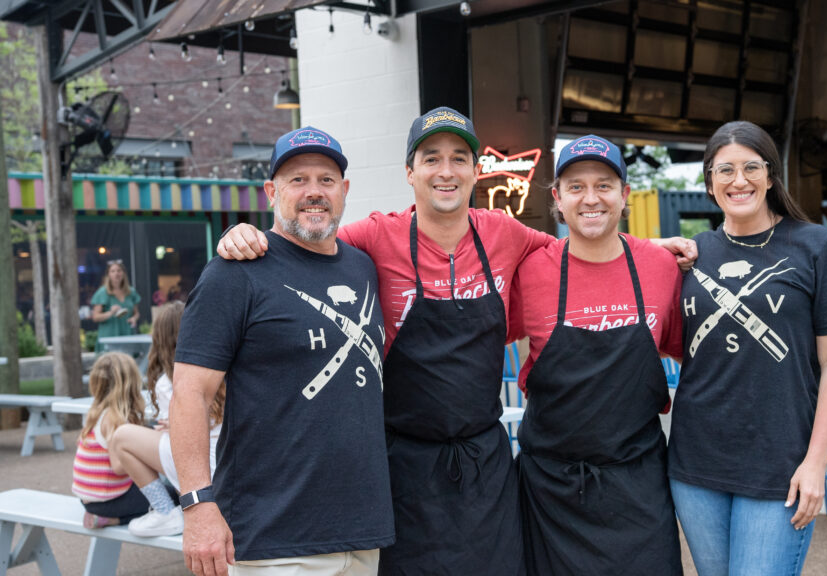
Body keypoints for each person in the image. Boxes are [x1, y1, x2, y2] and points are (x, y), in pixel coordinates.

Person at [217, 108, 697, 576]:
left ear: (475, 171)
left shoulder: (507, 235)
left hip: (489, 466)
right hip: (402, 465)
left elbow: (588, 248)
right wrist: (253, 236)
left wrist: (652, 250)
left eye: (458, 158)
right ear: (409, 172)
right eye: (430, 158)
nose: (445, 171)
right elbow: (310, 238)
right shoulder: (372, 237)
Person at [170, 126, 393, 576]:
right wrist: (197, 506)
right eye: (298, 180)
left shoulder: (362, 268)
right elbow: (188, 395)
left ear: (345, 190)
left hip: (362, 531)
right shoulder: (235, 274)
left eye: (326, 180)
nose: (315, 192)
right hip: (273, 539)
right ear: (272, 191)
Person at [666, 120, 827, 576]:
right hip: (697, 463)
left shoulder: (817, 246)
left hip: (780, 462)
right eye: (725, 170)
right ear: (709, 182)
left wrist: (816, 463)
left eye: (751, 167)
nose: (739, 181)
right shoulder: (690, 255)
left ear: (771, 175)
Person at [508, 135, 684, 575]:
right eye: (576, 186)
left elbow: (695, 362)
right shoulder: (529, 271)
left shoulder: (660, 267)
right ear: (558, 198)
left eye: (604, 185)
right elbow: (471, 345)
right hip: (551, 489)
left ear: (624, 196)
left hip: (638, 483)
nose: (591, 198)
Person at [108, 301, 226, 538]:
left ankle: (165, 512)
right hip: (230, 465)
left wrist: (183, 425)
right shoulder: (223, 369)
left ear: (161, 340)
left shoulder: (169, 381)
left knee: (121, 438)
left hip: (202, 470)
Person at [72, 352, 150, 529]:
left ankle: (106, 517)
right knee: (174, 498)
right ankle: (113, 520)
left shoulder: (94, 414)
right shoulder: (116, 420)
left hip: (87, 500)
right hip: (110, 500)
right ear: (132, 384)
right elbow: (119, 467)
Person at [91, 259, 141, 351]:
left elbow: (136, 313)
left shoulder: (131, 291)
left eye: (119, 270)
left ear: (123, 273)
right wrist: (111, 312)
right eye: (113, 271)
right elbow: (95, 317)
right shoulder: (103, 292)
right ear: (108, 275)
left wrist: (134, 319)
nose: (116, 274)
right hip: (109, 337)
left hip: (127, 335)